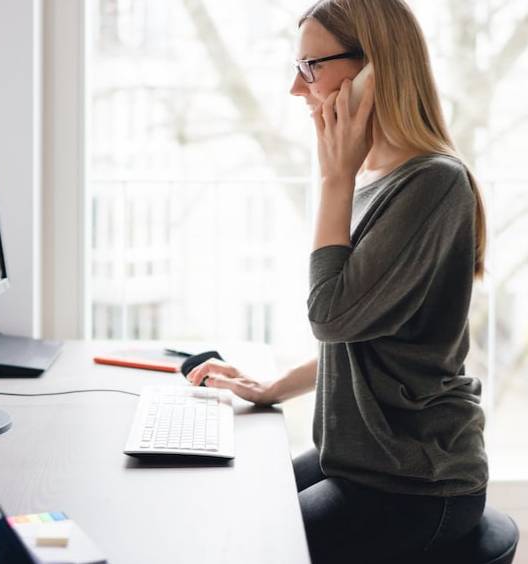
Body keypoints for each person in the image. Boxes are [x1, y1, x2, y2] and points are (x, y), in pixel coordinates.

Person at [185, 0, 489, 561]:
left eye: (310, 67)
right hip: (359, 461)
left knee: (245, 546)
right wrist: (272, 387)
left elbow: (330, 317)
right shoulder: (376, 179)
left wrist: (334, 178)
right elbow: (363, 338)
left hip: (415, 482)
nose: (296, 89)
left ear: (374, 70)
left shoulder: (433, 184)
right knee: (224, 503)